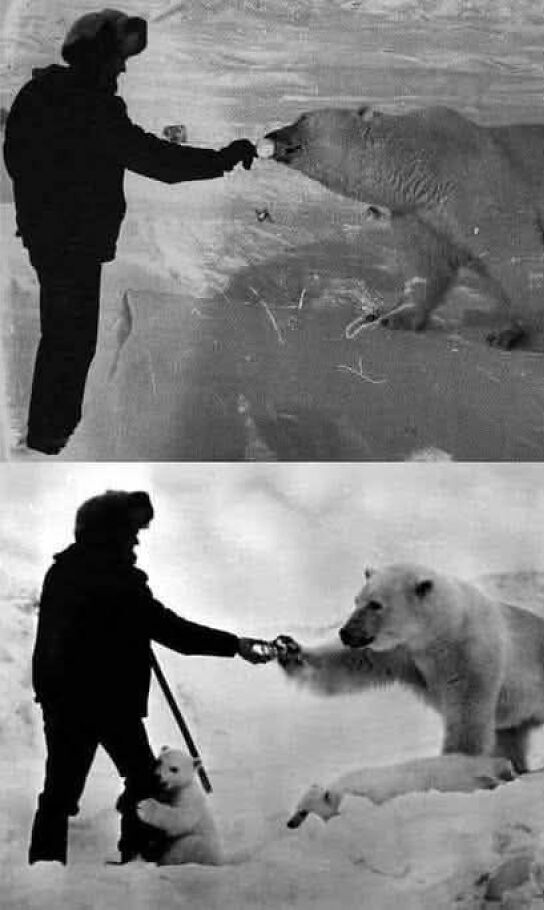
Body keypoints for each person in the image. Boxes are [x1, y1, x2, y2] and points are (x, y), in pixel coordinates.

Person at [3, 10, 258, 455]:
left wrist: (45, 204)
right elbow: (156, 160)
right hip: (73, 243)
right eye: (119, 58)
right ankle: (51, 440)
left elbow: (16, 157)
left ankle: (51, 435)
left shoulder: (39, 93)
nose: (122, 68)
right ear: (98, 55)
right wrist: (220, 160)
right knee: (71, 341)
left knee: (63, 337)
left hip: (50, 239)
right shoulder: (89, 104)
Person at [28, 489, 277, 866]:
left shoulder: (63, 571)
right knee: (143, 783)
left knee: (60, 793)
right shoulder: (118, 580)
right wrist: (235, 645)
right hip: (110, 704)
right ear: (112, 533)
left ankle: (45, 872)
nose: (136, 540)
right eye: (132, 532)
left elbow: (59, 637)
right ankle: (135, 860)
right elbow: (174, 632)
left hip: (65, 702)